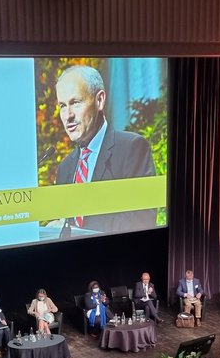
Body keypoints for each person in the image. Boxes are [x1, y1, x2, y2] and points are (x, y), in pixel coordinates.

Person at [51, 65, 156, 233]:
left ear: (99, 100)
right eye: (62, 106)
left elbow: (141, 220)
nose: (68, 115)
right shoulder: (65, 168)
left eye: (75, 103)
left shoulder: (132, 148)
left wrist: (74, 230)